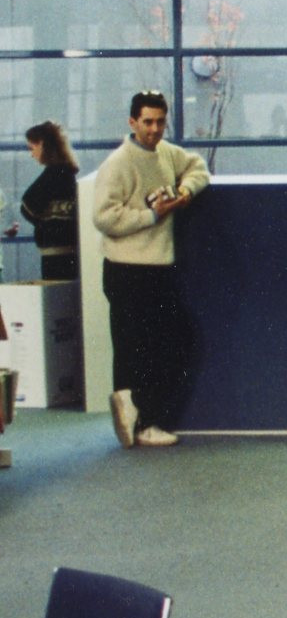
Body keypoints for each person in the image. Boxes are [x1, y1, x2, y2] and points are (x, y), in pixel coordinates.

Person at [91, 91, 208, 449]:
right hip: (127, 269)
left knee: (169, 343)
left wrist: (185, 192)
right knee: (133, 350)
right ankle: (138, 423)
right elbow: (104, 217)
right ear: (132, 122)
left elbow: (198, 166)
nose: (155, 129)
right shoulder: (118, 163)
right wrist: (152, 215)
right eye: (147, 122)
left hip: (157, 268)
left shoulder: (167, 153)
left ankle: (145, 419)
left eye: (160, 121)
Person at [18, 121, 80, 280]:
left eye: (32, 148)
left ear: (42, 144)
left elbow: (26, 205)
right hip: (72, 250)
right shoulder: (68, 173)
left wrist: (41, 223)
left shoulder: (53, 174)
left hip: (54, 253)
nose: (31, 154)